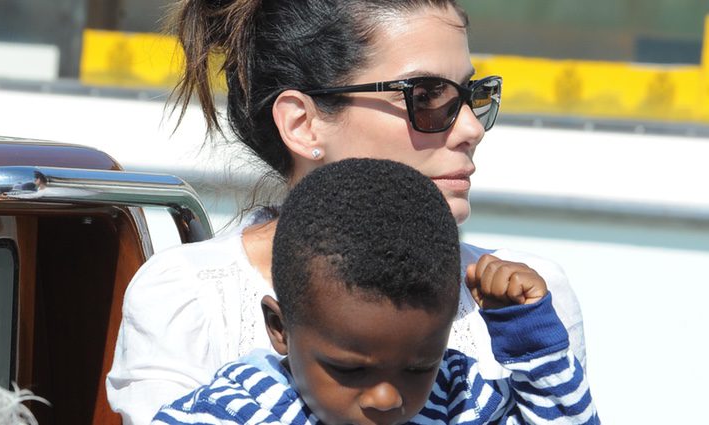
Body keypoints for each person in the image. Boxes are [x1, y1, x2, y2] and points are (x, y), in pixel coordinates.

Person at [107, 1, 587, 424]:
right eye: (426, 97)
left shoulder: (526, 303)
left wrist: (529, 336)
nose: (469, 128)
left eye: (471, 95)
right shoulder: (191, 299)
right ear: (303, 123)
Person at [152, 158, 598, 425]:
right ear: (279, 327)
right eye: (349, 370)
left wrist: (528, 338)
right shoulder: (236, 410)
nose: (387, 399)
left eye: (419, 367)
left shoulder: (457, 397)